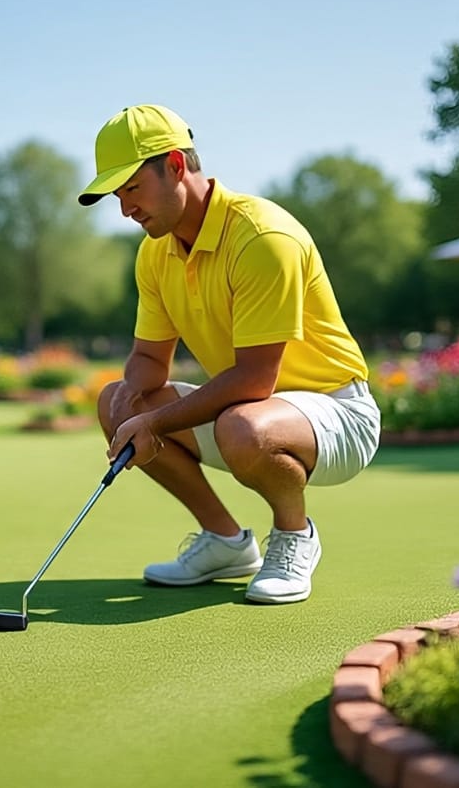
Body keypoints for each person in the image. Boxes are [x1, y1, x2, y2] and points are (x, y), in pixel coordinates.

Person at [79, 105, 380, 604]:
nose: (124, 208)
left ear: (175, 166)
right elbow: (150, 359)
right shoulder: (156, 251)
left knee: (243, 425)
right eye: (117, 195)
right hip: (246, 413)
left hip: (338, 414)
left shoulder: (262, 237)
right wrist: (131, 400)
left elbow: (255, 379)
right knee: (118, 401)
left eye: (131, 189)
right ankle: (225, 542)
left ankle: (293, 537)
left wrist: (155, 425)